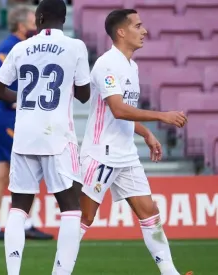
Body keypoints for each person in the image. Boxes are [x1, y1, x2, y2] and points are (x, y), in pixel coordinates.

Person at [77, 9, 190, 275]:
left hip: (125, 154)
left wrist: (146, 134)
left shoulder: (132, 66)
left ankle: (170, 273)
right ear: (121, 32)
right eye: (138, 26)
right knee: (85, 217)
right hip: (100, 153)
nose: (145, 31)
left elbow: (123, 112)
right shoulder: (106, 64)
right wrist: (162, 117)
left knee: (149, 213)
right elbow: (118, 109)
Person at [0, 0, 91, 273]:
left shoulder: (21, 47)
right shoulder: (75, 46)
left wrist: (23, 98)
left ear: (41, 17)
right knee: (70, 207)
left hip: (24, 136)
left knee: (18, 208)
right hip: (57, 136)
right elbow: (84, 95)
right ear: (63, 17)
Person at [0, 5, 53, 241]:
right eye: (34, 22)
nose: (37, 26)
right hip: (6, 116)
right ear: (23, 25)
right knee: (28, 169)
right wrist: (17, 99)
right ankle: (26, 224)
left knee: (0, 174)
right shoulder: (12, 46)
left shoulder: (18, 45)